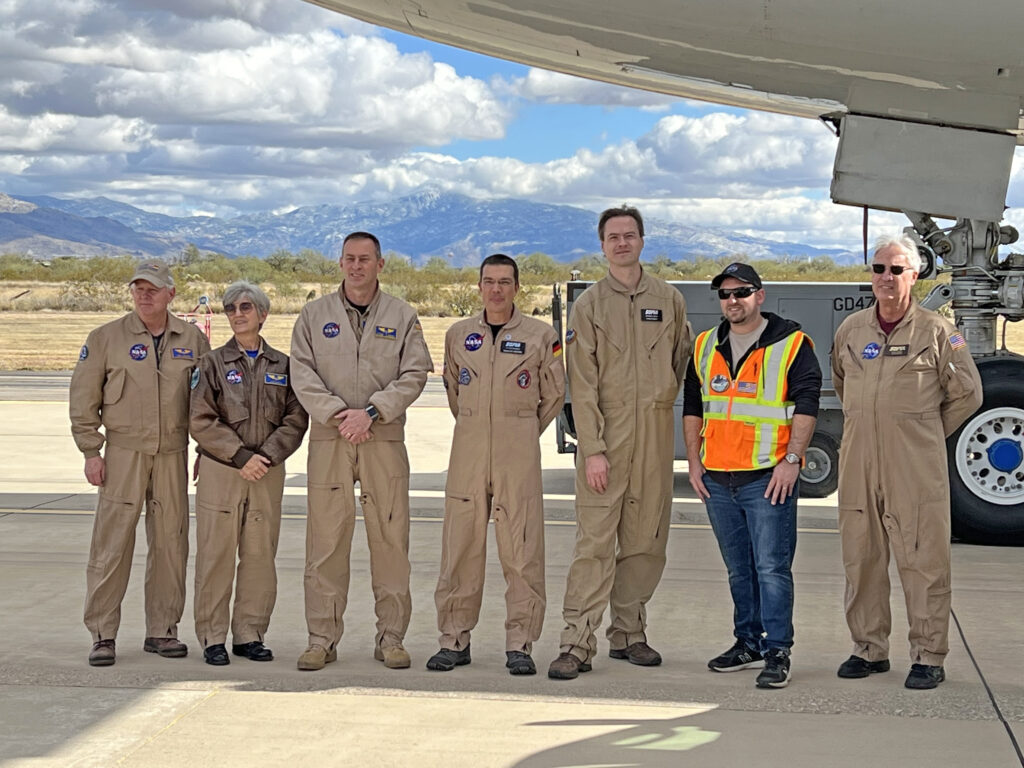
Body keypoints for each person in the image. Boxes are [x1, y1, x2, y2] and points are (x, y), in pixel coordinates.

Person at [832, 234, 982, 690]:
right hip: (859, 464)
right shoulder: (852, 331)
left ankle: (928, 655)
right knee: (862, 560)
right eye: (879, 269)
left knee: (923, 562)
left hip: (914, 468)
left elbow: (967, 394)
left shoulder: (937, 332)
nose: (886, 278)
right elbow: (842, 386)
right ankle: (869, 649)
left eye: (896, 270)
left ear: (914, 276)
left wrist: (923, 433)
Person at [548, 206, 692, 680]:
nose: (622, 243)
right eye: (613, 237)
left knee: (645, 540)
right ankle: (576, 641)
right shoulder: (589, 305)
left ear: (643, 241)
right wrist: (591, 448)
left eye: (630, 235)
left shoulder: (668, 299)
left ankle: (629, 633)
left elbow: (682, 364)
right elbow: (582, 384)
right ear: (602, 245)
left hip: (653, 433)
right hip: (606, 436)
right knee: (594, 543)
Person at [289, 231, 433, 672]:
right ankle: (321, 638)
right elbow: (302, 371)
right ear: (340, 263)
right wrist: (338, 414)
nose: (357, 267)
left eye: (365, 259)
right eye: (349, 259)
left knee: (390, 541)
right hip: (331, 439)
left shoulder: (402, 315)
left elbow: (415, 373)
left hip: (382, 438)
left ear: (380, 264)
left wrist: (372, 411)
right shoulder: (314, 315)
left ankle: (391, 638)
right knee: (326, 542)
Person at [683, 263, 822, 689]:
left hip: (766, 477)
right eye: (725, 294)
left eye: (742, 292)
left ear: (760, 296)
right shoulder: (705, 345)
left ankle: (778, 649)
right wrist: (694, 461)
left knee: (771, 568)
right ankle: (748, 642)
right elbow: (693, 405)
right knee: (738, 569)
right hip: (718, 478)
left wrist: (792, 460)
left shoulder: (792, 344)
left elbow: (807, 404)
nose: (733, 301)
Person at [428, 254, 566, 675]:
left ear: (517, 288)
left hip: (517, 450)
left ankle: (520, 643)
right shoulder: (458, 335)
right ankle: (453, 639)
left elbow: (554, 395)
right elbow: (454, 390)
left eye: (505, 282)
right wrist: (477, 426)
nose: (496, 290)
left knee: (522, 550)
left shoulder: (542, 336)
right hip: (468, 447)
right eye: (489, 282)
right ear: (479, 287)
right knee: (460, 548)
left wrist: (519, 430)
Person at [70, 260, 210, 666]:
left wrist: (204, 448)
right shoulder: (106, 338)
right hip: (122, 454)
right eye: (138, 288)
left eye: (152, 288)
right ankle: (102, 633)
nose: (144, 295)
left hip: (173, 455)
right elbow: (83, 399)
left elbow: (207, 400)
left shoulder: (193, 340)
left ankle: (163, 631)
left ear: (171, 294)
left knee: (171, 545)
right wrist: (90, 451)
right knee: (111, 545)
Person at [189, 281, 308, 666]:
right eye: (230, 309)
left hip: (267, 472)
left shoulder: (283, 366)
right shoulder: (210, 364)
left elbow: (295, 418)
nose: (237, 314)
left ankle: (249, 634)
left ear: (263, 314)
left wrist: (267, 456)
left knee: (259, 556)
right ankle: (212, 636)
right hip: (223, 469)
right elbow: (200, 418)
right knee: (216, 555)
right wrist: (240, 456)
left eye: (245, 307)